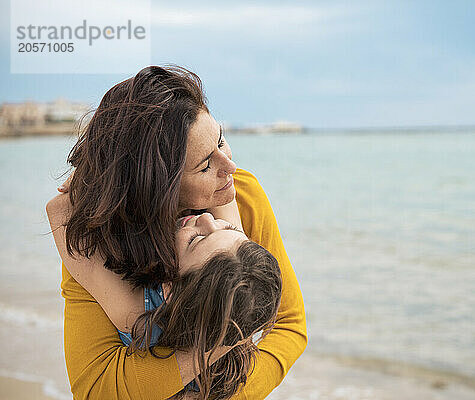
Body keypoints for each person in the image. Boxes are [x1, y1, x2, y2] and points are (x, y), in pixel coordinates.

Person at [48, 65, 307, 399]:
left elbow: (289, 324)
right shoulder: (97, 239)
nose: (230, 166)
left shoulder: (240, 196)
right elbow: (95, 388)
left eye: (221, 139)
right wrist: (223, 336)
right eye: (204, 165)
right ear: (158, 187)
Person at [48, 197, 283, 400]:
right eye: (229, 229)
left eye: (196, 240)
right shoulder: (235, 311)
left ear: (170, 288)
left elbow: (60, 210)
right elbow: (225, 190)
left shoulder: (133, 314)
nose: (205, 219)